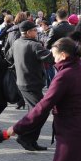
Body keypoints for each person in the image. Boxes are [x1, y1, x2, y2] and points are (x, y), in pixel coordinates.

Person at [6, 20, 53, 151]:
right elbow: (50, 58)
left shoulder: (16, 43)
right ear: (27, 32)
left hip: (23, 82)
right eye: (34, 30)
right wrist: (58, 50)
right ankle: (25, 137)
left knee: (34, 112)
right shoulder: (34, 45)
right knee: (41, 112)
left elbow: (8, 57)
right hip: (32, 83)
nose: (36, 32)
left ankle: (30, 140)